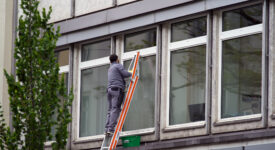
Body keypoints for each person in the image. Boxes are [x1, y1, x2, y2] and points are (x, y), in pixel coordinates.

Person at [105, 54, 132, 135]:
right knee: (115, 109)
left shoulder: (110, 68)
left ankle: (107, 129)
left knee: (110, 110)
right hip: (116, 89)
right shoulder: (117, 66)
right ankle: (111, 129)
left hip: (110, 90)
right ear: (117, 59)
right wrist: (131, 72)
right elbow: (125, 74)